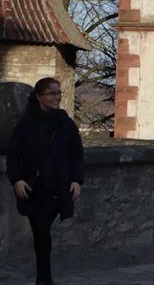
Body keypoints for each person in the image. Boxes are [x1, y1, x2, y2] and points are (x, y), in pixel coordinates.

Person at [6, 76, 84, 285]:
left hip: (57, 187)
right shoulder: (26, 124)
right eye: (52, 93)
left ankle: (43, 279)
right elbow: (13, 154)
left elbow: (76, 153)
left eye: (59, 93)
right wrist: (17, 180)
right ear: (40, 97)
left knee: (42, 227)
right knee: (39, 231)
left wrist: (76, 180)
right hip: (33, 187)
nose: (57, 97)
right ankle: (45, 278)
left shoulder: (65, 123)